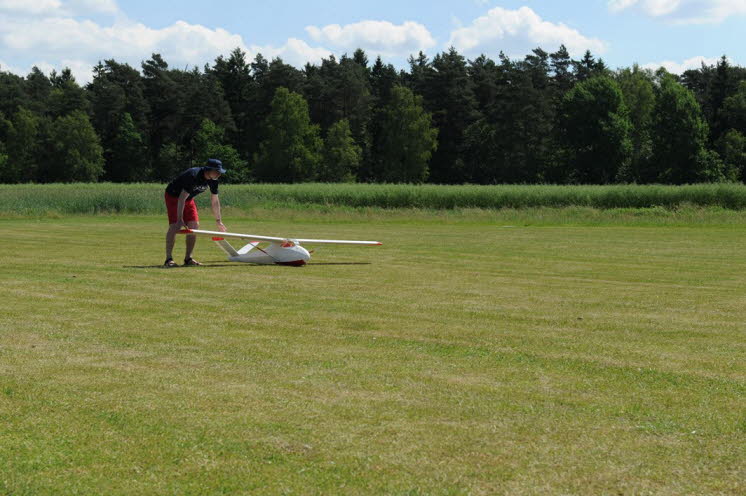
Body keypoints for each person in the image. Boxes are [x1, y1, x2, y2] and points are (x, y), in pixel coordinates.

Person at [164, 159, 228, 267]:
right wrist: (180, 219)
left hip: (188, 199)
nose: (219, 174)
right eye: (217, 171)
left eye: (220, 172)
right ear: (209, 169)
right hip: (174, 196)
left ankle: (188, 259)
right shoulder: (193, 175)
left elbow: (215, 200)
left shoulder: (214, 180)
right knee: (175, 225)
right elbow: (181, 198)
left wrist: (218, 221)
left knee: (194, 225)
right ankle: (168, 259)